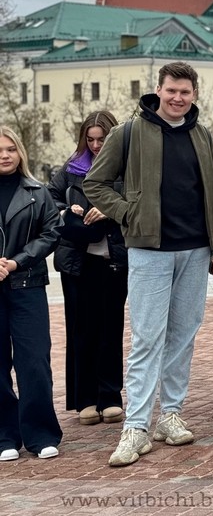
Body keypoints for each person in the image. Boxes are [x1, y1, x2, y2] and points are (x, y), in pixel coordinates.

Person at [85, 61, 213, 467]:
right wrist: (127, 212)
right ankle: (135, 426)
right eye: (171, 90)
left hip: (195, 250)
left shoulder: (202, 136)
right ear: (159, 89)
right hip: (149, 250)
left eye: (185, 92)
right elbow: (94, 183)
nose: (177, 98)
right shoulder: (129, 132)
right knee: (147, 338)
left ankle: (170, 415)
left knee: (183, 335)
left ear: (194, 95)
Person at [48, 111, 129, 428]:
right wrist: (68, 209)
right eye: (90, 139)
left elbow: (136, 202)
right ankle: (85, 399)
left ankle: (110, 397)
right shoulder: (70, 168)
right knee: (82, 329)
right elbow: (48, 199)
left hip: (114, 260)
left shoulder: (125, 167)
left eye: (101, 139)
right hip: (77, 262)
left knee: (111, 327)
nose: (95, 145)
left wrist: (109, 208)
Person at [0, 127, 62, 461]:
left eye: (11, 149)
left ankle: (40, 434)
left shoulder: (38, 192)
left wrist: (15, 262)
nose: (5, 155)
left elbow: (52, 232)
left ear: (20, 152)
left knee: (34, 361)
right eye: (0, 150)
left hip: (28, 285)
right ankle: (4, 436)